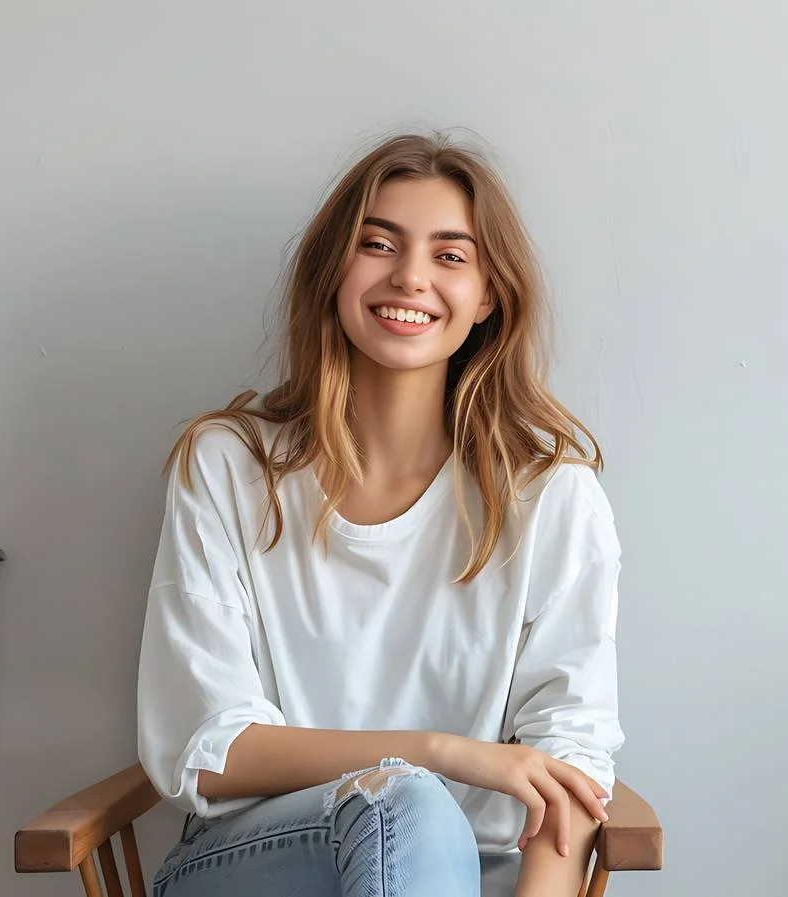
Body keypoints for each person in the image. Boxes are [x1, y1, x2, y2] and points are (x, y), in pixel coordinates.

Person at [135, 132, 625, 897]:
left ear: (490, 295)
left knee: (413, 810)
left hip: (474, 879)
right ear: (334, 270)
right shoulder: (231, 465)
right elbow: (206, 748)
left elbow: (572, 757)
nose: (410, 277)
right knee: (406, 801)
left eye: (450, 255)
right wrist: (440, 754)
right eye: (379, 244)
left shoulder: (549, 495)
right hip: (260, 863)